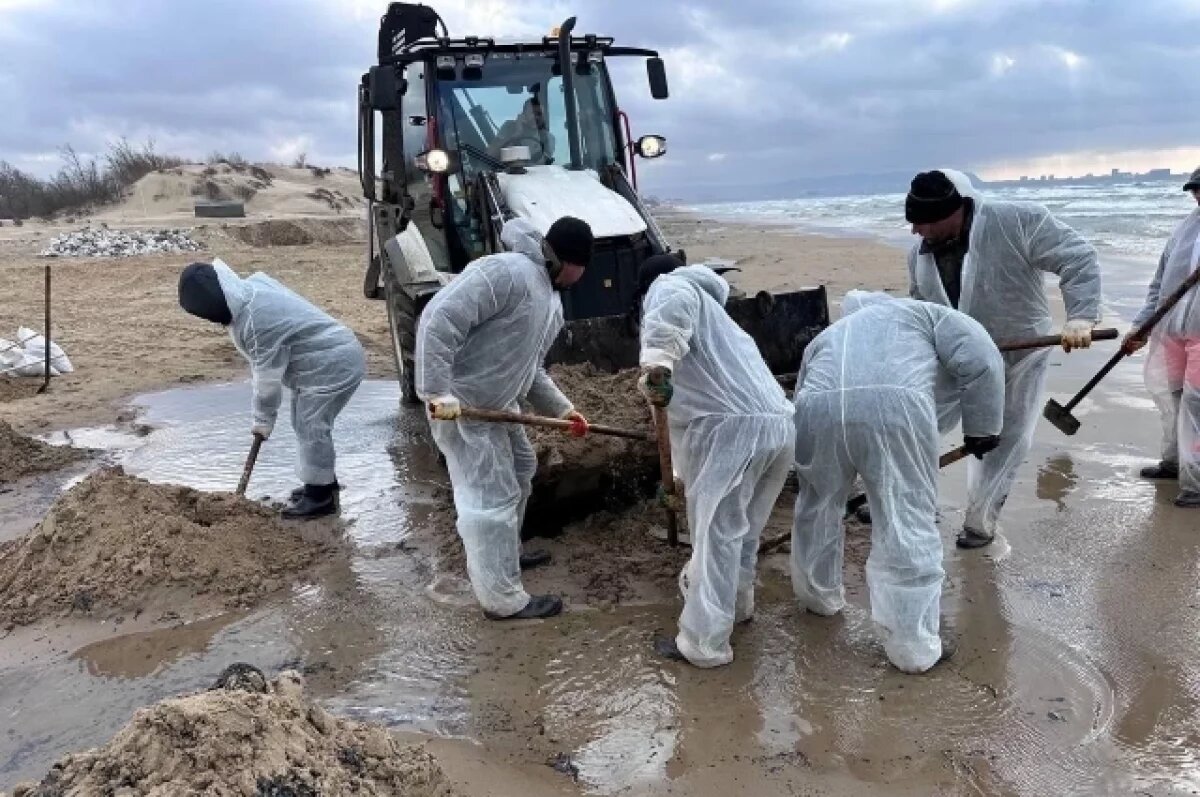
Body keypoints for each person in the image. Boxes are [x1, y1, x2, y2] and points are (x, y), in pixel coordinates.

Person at [791, 290, 1005, 672]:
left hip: (817, 405)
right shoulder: (927, 314)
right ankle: (913, 647)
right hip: (893, 407)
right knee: (903, 513)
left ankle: (817, 598)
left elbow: (803, 385)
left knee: (818, 505)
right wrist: (983, 427)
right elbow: (982, 358)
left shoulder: (831, 334)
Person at [906, 168, 1102, 548]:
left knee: (1003, 436)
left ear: (957, 210)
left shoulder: (1016, 221)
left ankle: (981, 522)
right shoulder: (918, 251)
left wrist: (1080, 316)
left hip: (1019, 352)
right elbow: (921, 306)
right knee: (918, 419)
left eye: (925, 222)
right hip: (955, 355)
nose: (917, 232)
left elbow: (1077, 256)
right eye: (913, 223)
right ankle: (912, 500)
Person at [416, 216, 593, 620]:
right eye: (583, 267)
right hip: (464, 408)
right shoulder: (506, 272)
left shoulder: (550, 300)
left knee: (521, 469)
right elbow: (439, 319)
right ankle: (502, 600)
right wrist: (436, 391)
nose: (583, 277)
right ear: (570, 260)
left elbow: (531, 369)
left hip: (501, 408)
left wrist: (563, 409)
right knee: (488, 499)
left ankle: (506, 555)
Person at [636, 254, 795, 668]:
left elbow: (663, 346)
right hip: (778, 425)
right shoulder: (722, 324)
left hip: (731, 433)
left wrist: (657, 364)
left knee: (716, 539)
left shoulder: (670, 286)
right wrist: (677, 478)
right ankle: (738, 607)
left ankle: (704, 645)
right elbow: (684, 418)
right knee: (742, 533)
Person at [178, 258, 365, 518]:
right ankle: (322, 483)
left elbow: (267, 382)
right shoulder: (252, 286)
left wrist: (262, 422)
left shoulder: (255, 322)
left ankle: (321, 499)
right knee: (305, 423)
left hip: (332, 363)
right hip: (323, 359)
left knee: (312, 425)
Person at [1126, 167, 1200, 508]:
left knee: (1196, 406)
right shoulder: (1184, 230)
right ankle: (1172, 463)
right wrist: (1142, 326)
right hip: (1171, 330)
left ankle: (1196, 482)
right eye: (1194, 191)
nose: (1198, 196)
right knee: (1170, 398)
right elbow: (1159, 283)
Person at [487, 98, 555, 163]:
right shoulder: (509, 127)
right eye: (532, 113)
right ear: (523, 114)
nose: (536, 117)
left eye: (539, 114)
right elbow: (490, 154)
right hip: (504, 171)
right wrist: (516, 133)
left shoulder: (548, 138)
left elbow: (544, 165)